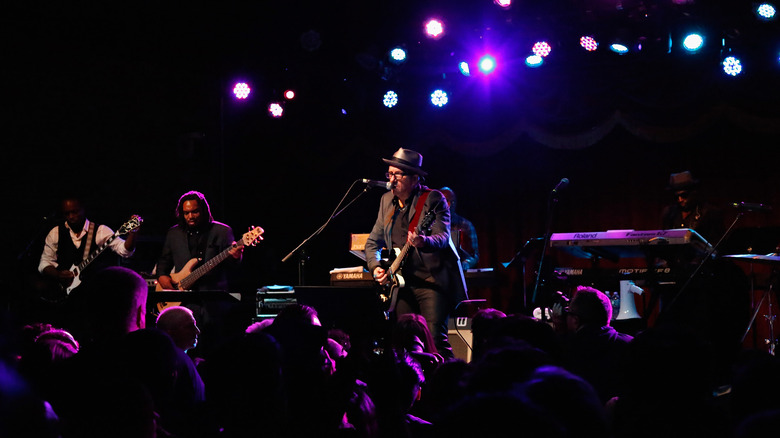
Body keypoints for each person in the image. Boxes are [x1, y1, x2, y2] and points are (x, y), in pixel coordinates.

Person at [365, 148, 468, 360]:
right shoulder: (386, 201)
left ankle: (448, 381)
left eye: (397, 175)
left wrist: (423, 241)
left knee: (434, 339)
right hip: (401, 284)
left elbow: (442, 237)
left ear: (414, 178)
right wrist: (375, 267)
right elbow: (372, 242)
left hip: (431, 281)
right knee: (405, 341)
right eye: (389, 174)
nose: (391, 180)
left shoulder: (433, 199)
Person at [38, 196, 138, 295]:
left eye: (75, 212)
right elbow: (44, 262)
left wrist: (132, 234)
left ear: (83, 210)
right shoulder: (55, 232)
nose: (71, 216)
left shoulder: (101, 231)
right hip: (63, 293)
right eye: (67, 213)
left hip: (95, 292)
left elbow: (125, 251)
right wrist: (57, 274)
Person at [551, 285, 633, 405]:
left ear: (575, 320)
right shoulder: (630, 344)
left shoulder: (564, 350)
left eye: (568, 311)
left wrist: (559, 332)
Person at [155, 190, 243, 292]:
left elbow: (232, 268)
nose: (190, 216)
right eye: (186, 213)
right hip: (182, 299)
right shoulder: (174, 233)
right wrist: (162, 276)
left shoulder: (222, 231)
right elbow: (164, 261)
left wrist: (236, 257)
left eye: (195, 211)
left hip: (212, 298)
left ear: (203, 210)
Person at [661, 170, 725, 244]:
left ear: (694, 193)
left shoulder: (710, 212)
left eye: (684, 195)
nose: (680, 200)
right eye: (676, 197)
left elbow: (717, 244)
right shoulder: (669, 213)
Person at [438, 187, 478, 270]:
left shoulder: (466, 225)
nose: (449, 205)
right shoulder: (430, 225)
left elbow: (474, 256)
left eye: (452, 202)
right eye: (445, 201)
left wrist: (465, 264)